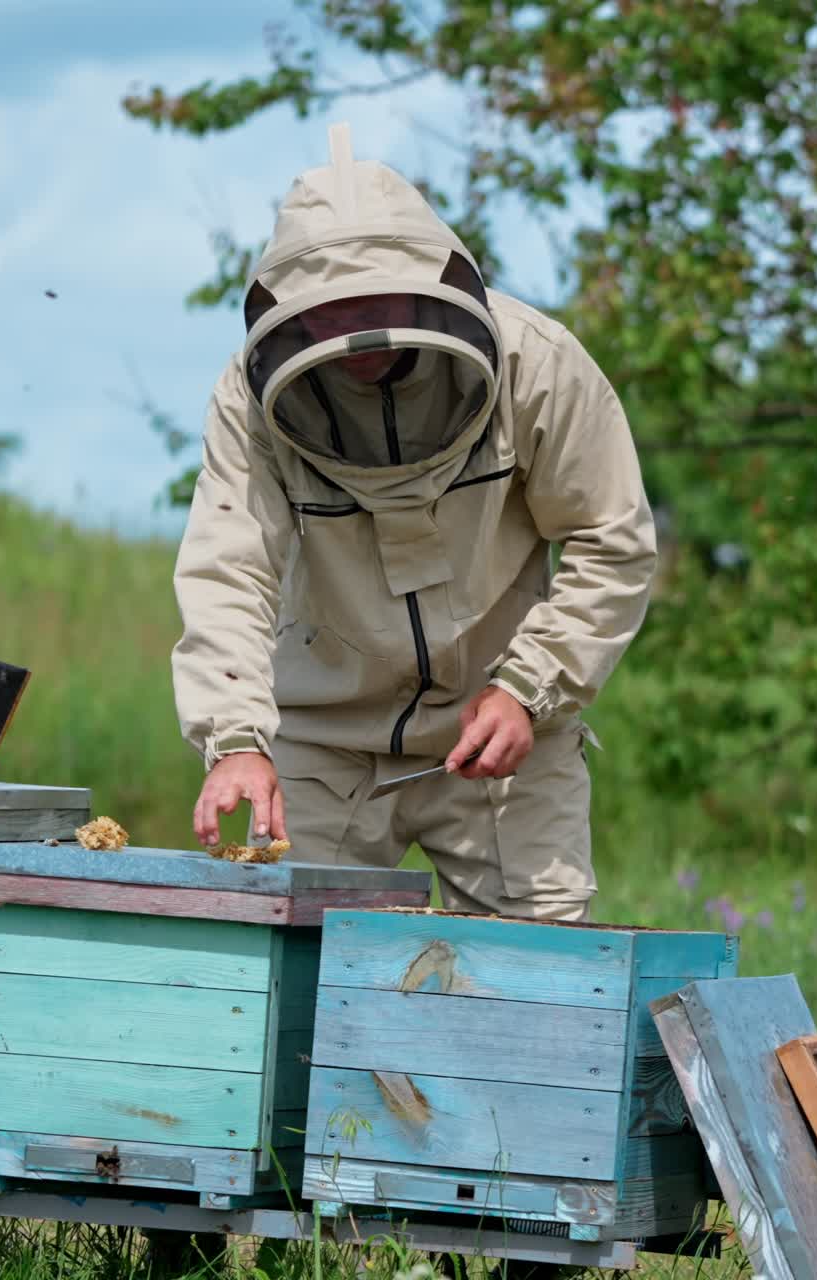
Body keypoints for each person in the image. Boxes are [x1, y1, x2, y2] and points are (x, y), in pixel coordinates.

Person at [171, 123, 657, 923]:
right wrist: (236, 741)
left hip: (499, 732)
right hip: (322, 737)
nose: (355, 332)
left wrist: (529, 690)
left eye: (376, 301)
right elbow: (230, 566)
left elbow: (614, 539)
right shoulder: (250, 400)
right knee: (271, 979)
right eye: (327, 313)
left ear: (435, 279)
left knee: (543, 991)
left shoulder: (538, 364)